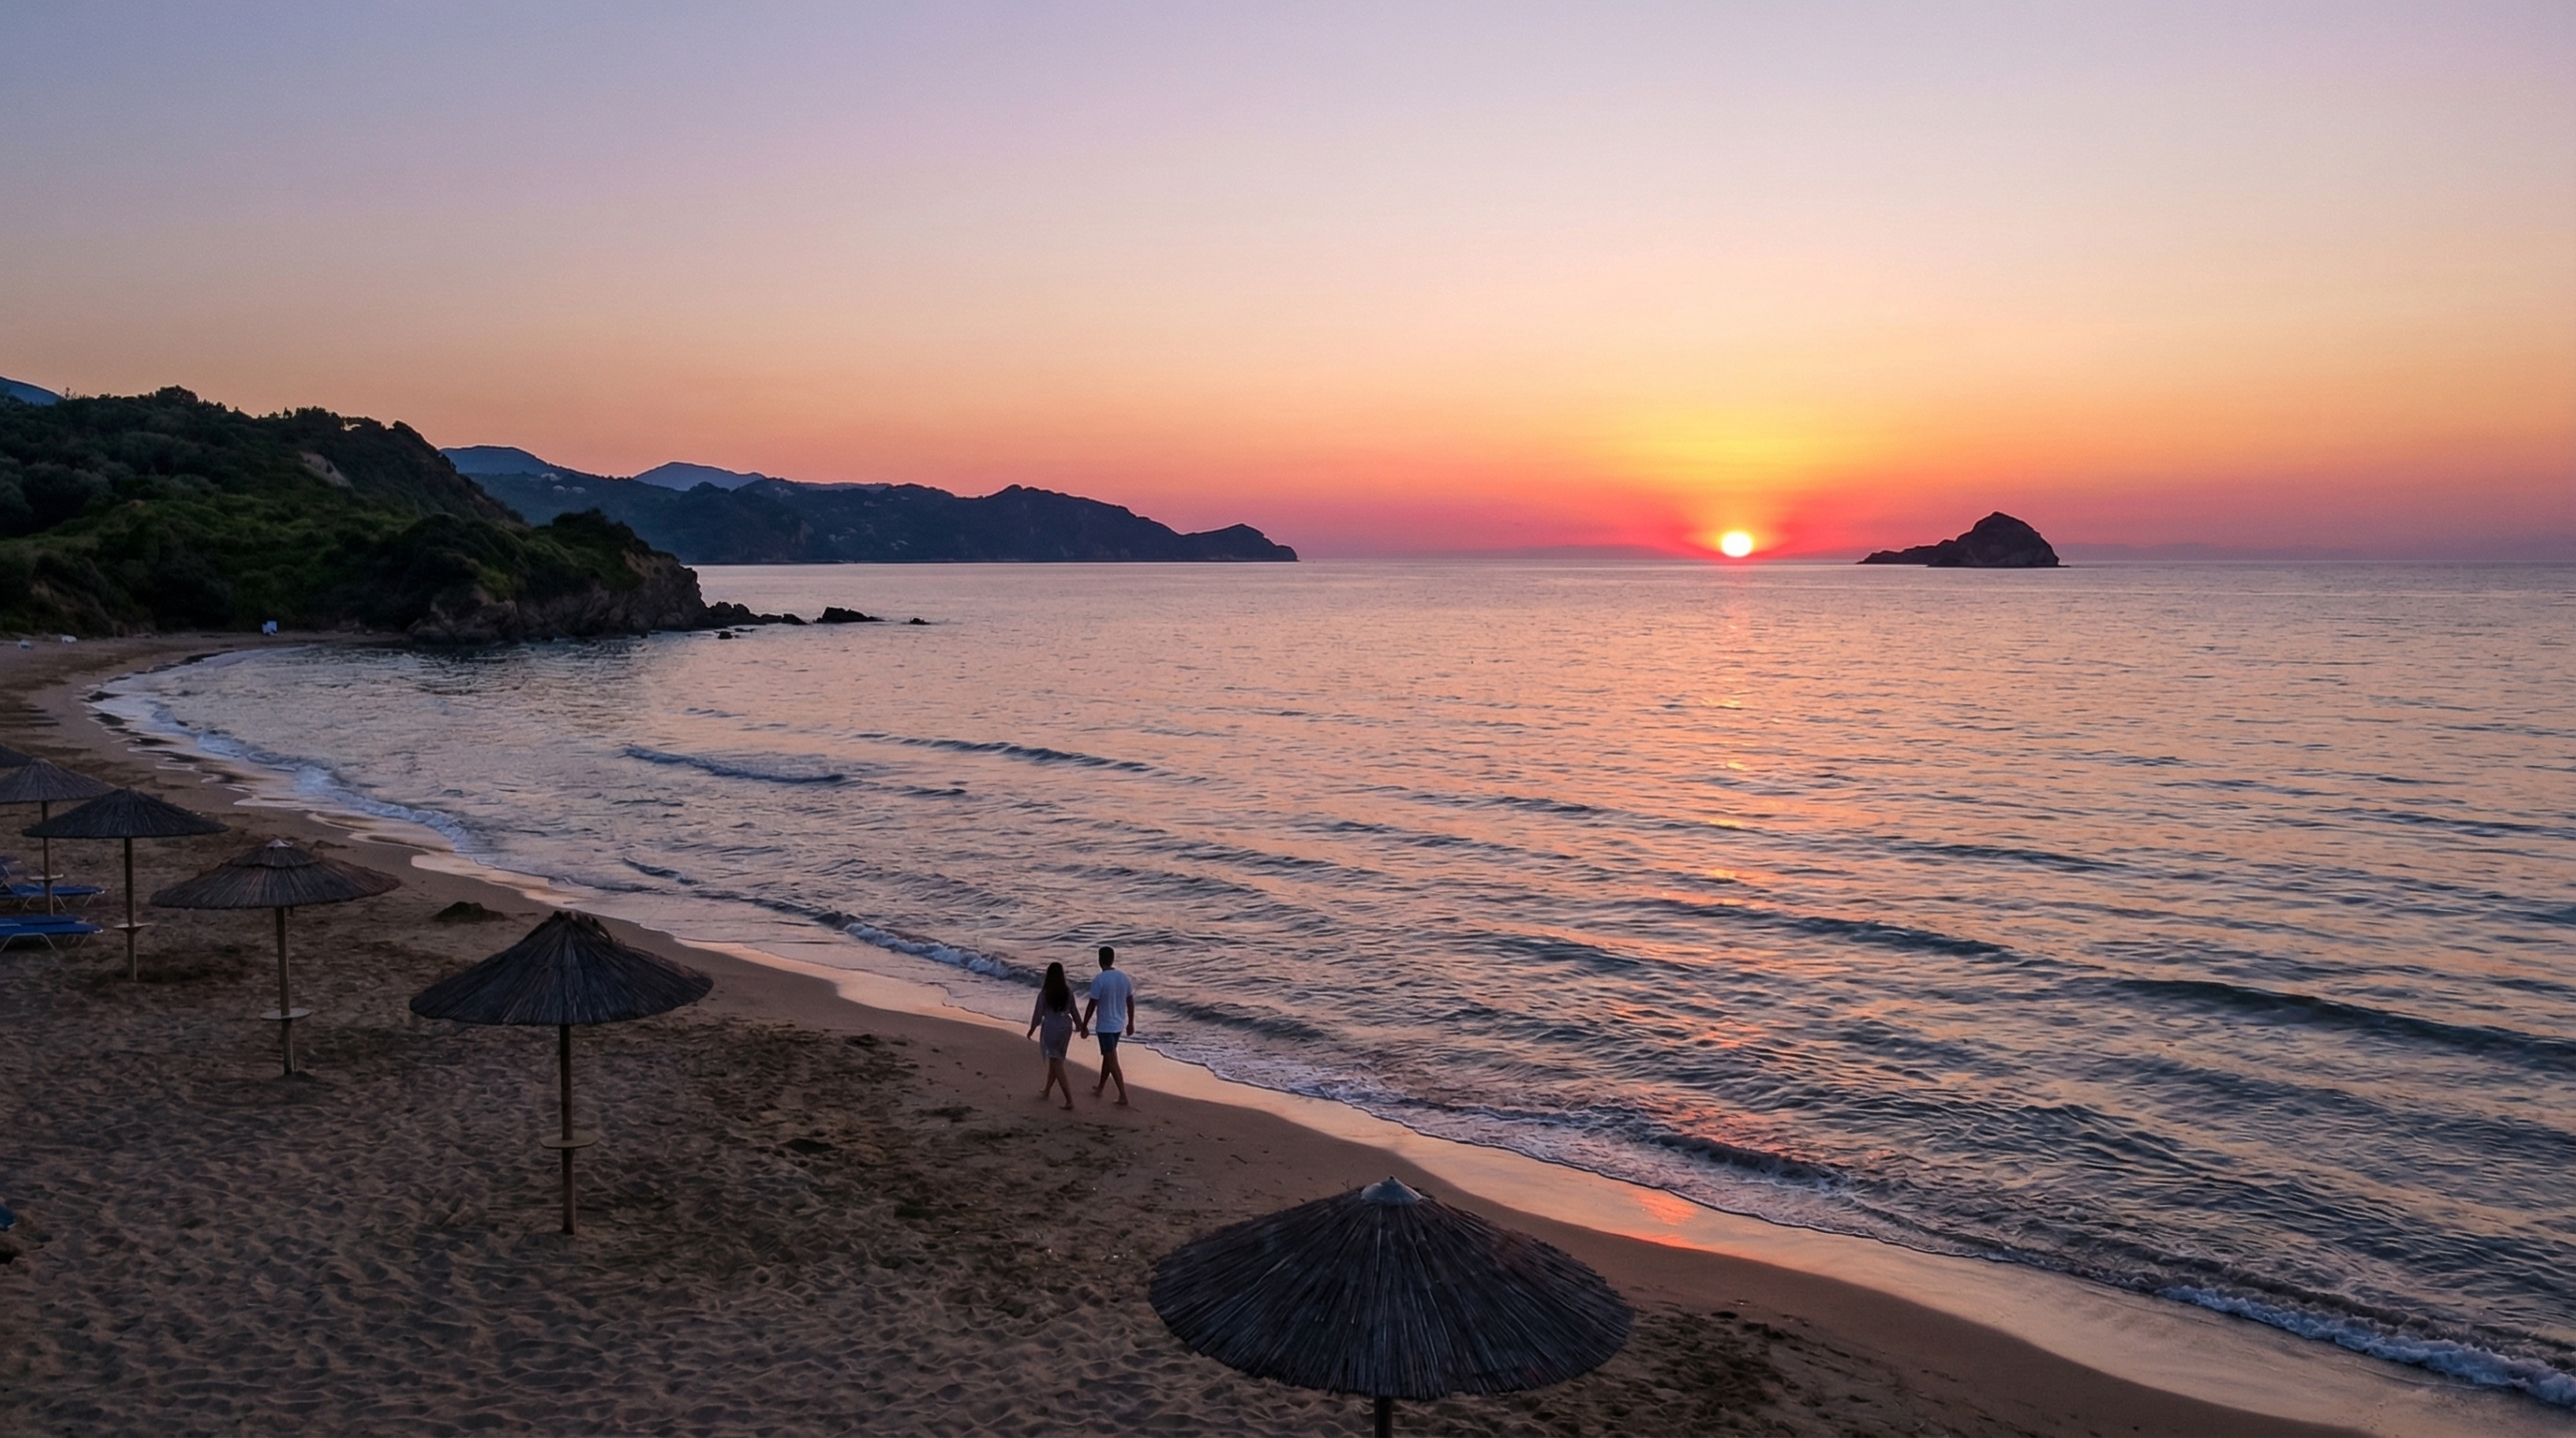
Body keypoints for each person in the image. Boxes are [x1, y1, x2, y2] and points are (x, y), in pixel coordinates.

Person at [1080, 945, 1135, 1106]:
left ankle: (1123, 1095)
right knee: (1108, 1057)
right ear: (1112, 959)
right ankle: (1100, 1088)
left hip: (1105, 1026)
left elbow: (1092, 1005)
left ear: (1099, 960)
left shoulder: (1099, 980)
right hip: (1118, 1025)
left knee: (1112, 1060)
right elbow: (1130, 1002)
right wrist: (1130, 1022)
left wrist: (1084, 1025)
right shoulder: (1124, 977)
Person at [1026, 961, 1080, 1110]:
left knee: (1056, 1063)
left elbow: (1038, 1014)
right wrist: (1081, 1026)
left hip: (1051, 1027)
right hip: (1065, 1027)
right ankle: (1047, 1090)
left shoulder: (1045, 993)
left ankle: (1069, 1100)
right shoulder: (1068, 991)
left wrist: (1032, 1029)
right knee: (1056, 1060)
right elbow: (1074, 1011)